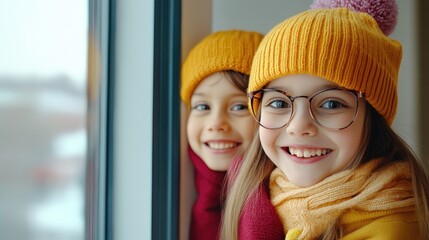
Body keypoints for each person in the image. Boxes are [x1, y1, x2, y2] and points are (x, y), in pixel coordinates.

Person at [221, 0, 429, 239]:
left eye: (331, 104)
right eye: (278, 103)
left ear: (372, 117)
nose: (299, 126)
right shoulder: (255, 196)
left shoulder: (394, 229)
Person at [180, 30, 264, 240]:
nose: (216, 124)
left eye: (238, 107)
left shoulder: (277, 197)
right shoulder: (189, 183)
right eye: (202, 106)